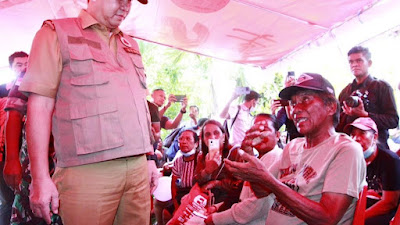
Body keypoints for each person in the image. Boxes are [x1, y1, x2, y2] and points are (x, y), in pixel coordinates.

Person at [18, 0, 152, 224]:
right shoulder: (56, 33)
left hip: (138, 169)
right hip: (88, 172)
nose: (126, 6)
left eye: (130, 1)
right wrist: (39, 178)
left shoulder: (130, 44)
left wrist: (150, 159)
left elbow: (138, 104)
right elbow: (39, 107)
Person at [223, 73, 366, 225]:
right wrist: (251, 158)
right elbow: (262, 191)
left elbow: (327, 218)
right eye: (293, 103)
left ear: (330, 106)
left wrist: (269, 181)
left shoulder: (346, 150)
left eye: (305, 99)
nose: (295, 109)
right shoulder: (292, 146)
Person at [207, 113, 282, 225]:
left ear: (277, 135)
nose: (259, 135)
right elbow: (241, 195)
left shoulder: (275, 157)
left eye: (264, 130)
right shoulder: (255, 158)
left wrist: (214, 219)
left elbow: (256, 206)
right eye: (254, 130)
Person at [336, 46, 398, 149]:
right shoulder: (345, 92)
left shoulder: (382, 87)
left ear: (369, 63)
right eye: (351, 62)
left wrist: (366, 115)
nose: (354, 65)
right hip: (351, 149)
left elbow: (393, 121)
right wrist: (346, 115)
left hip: (377, 149)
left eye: (359, 60)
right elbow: (337, 126)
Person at [345, 117, 400, 225]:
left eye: (362, 133)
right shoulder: (351, 158)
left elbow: (389, 203)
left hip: (383, 211)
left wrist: (358, 217)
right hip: (361, 206)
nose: (356, 138)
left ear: (375, 137)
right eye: (353, 134)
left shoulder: (389, 161)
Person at [0, 51, 28, 225]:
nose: (24, 67)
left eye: (27, 63)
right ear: (11, 68)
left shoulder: (34, 89)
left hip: (27, 155)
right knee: (8, 201)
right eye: (19, 64)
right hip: (4, 155)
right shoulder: (2, 90)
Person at [193, 120, 243, 213]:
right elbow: (196, 182)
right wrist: (207, 171)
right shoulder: (202, 156)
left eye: (216, 133)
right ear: (203, 140)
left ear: (223, 137)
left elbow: (240, 185)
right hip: (207, 199)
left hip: (229, 202)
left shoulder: (235, 153)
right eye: (207, 134)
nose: (212, 137)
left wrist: (217, 183)